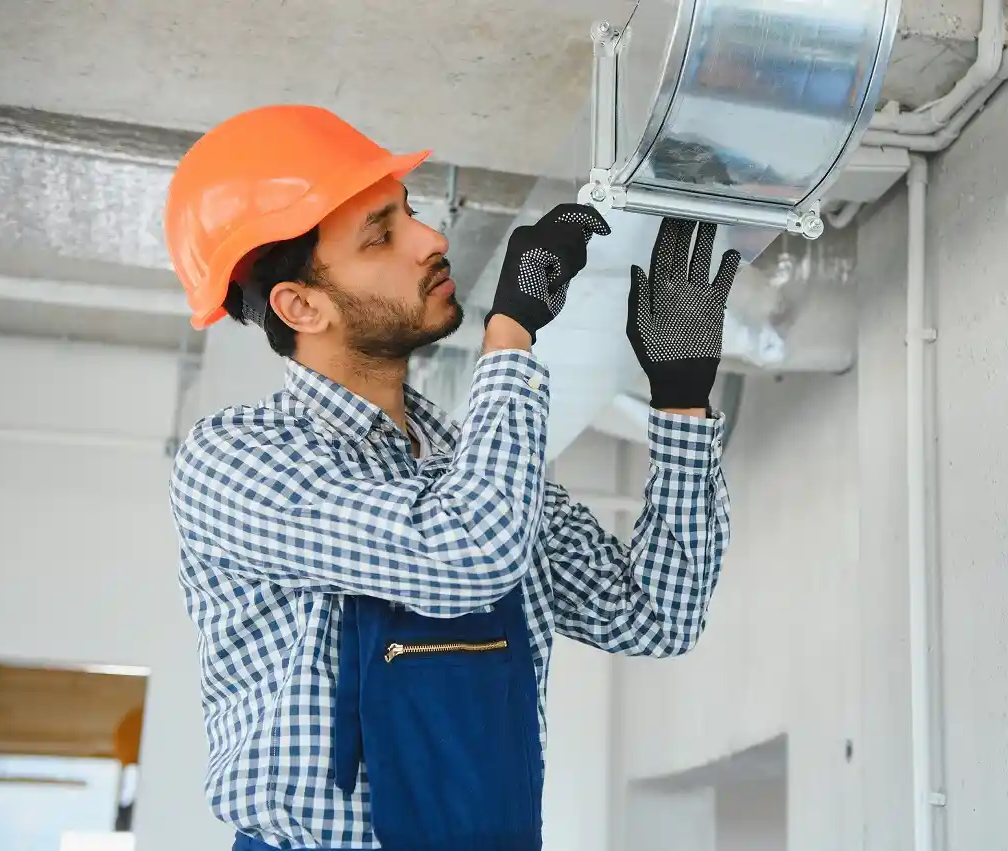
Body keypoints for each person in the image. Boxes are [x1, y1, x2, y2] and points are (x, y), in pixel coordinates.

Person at [164, 104, 740, 851]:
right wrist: (509, 336)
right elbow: (463, 559)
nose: (432, 239)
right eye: (383, 234)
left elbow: (652, 615)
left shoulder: (471, 460)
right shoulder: (235, 458)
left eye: (409, 213)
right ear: (299, 304)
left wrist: (681, 399)